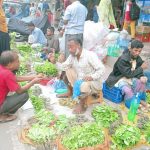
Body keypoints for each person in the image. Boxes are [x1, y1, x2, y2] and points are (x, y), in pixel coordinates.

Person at [49, 38, 105, 114]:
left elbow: (102, 69)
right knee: (66, 71)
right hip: (80, 80)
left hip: (94, 82)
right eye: (68, 47)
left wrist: (92, 76)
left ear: (78, 46)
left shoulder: (90, 55)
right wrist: (54, 62)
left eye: (71, 47)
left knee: (84, 85)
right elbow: (63, 66)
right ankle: (69, 91)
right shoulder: (72, 56)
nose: (69, 50)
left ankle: (81, 105)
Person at [0, 51, 43, 122]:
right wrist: (33, 82)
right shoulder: (7, 74)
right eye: (17, 61)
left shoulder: (2, 68)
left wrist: (34, 76)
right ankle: (2, 115)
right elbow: (20, 91)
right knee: (24, 95)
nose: (19, 63)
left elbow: (16, 78)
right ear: (10, 64)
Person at [106, 40, 148, 108]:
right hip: (118, 79)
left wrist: (142, 76)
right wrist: (141, 68)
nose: (137, 53)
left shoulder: (137, 57)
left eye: (139, 51)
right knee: (127, 90)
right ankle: (131, 104)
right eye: (135, 50)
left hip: (129, 77)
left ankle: (139, 99)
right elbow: (128, 74)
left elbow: (138, 69)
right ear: (130, 49)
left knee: (141, 83)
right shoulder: (123, 59)